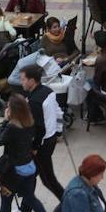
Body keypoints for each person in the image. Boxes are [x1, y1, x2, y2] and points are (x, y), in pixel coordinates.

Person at [0, 94, 49, 212]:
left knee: (5, 202)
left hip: (13, 173)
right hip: (29, 167)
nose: (6, 108)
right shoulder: (30, 122)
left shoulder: (12, 126)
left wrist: (4, 121)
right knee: (32, 199)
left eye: (8, 106)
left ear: (13, 110)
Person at [22, 65, 65, 201]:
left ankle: (67, 202)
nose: (21, 81)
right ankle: (26, 207)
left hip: (42, 145)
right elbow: (59, 112)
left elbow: (39, 128)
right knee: (31, 174)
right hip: (50, 139)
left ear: (32, 81)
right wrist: (58, 131)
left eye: (23, 79)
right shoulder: (48, 91)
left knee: (48, 179)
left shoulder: (34, 101)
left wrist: (35, 148)